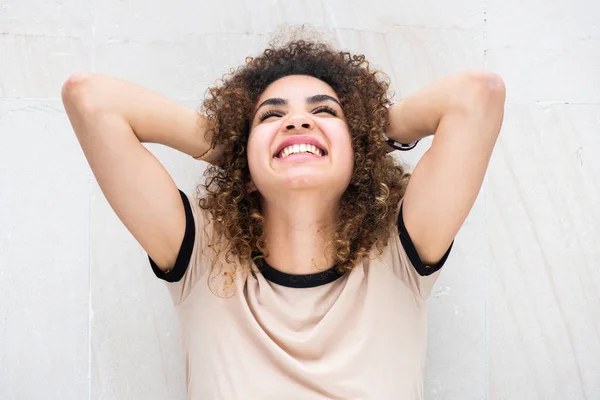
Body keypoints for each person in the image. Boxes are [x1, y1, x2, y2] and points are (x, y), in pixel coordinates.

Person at [62, 38, 505, 399]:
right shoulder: (203, 257)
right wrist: (236, 149)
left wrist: (365, 135)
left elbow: (477, 95)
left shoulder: (397, 257)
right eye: (271, 116)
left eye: (324, 111)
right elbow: (90, 99)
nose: (296, 122)